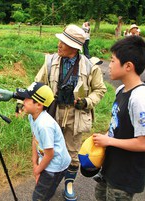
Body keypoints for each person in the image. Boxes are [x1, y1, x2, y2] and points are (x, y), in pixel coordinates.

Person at [31, 24, 107, 201]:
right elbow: (37, 83)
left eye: (63, 43)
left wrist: (86, 102)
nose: (59, 44)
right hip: (53, 112)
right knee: (48, 148)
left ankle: (69, 184)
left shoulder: (90, 67)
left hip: (76, 114)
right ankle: (49, 181)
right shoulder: (50, 61)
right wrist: (27, 102)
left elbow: (100, 89)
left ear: (74, 47)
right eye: (60, 41)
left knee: (72, 152)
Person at [92, 36, 145, 201]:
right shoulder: (121, 90)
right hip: (111, 167)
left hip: (125, 175)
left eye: (112, 61)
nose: (109, 65)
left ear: (128, 66)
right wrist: (105, 136)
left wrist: (109, 142)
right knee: (100, 195)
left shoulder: (139, 97)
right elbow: (117, 125)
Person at [16, 82, 71, 201]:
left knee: (39, 197)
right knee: (45, 191)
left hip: (56, 165)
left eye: (27, 98)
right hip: (47, 159)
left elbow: (50, 154)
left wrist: (38, 169)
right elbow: (35, 139)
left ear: (39, 104)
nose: (23, 101)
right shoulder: (32, 116)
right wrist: (34, 163)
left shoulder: (45, 125)